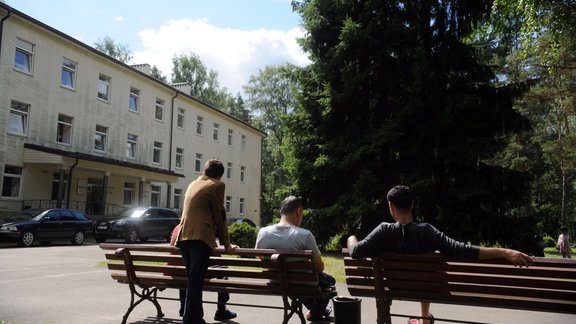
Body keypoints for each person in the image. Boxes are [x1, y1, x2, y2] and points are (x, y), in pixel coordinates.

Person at [347, 185, 534, 324]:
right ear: (412, 205)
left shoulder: (383, 231)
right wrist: (504, 251)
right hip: (425, 287)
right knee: (424, 276)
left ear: (390, 207)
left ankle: (423, 318)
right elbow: (463, 250)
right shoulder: (427, 231)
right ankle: (425, 319)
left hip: (393, 289)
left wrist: (352, 238)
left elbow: (355, 252)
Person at [175, 159, 239, 324]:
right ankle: (189, 321)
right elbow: (220, 216)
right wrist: (227, 244)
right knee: (195, 282)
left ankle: (196, 318)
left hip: (183, 238)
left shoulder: (192, 184)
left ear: (204, 170)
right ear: (220, 175)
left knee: (193, 279)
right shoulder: (217, 185)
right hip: (200, 238)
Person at [255, 196, 335, 322]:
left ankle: (317, 310)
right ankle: (316, 312)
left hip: (275, 282)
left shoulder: (263, 232)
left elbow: (261, 258)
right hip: (302, 283)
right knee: (329, 280)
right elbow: (319, 267)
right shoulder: (304, 235)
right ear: (298, 211)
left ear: (281, 212)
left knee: (306, 281)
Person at [170, 224, 236, 320]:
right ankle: (221, 309)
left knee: (185, 271)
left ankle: (183, 306)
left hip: (174, 271)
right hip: (190, 270)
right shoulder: (199, 228)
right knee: (223, 268)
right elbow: (215, 256)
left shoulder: (177, 228)